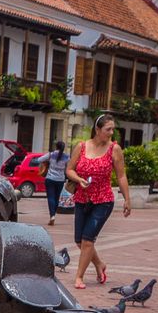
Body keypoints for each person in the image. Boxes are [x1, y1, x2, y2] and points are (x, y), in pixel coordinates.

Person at [65, 113, 131, 290]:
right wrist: (78, 179)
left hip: (103, 200)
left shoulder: (114, 149)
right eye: (108, 129)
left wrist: (127, 199)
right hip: (82, 198)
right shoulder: (81, 147)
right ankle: (99, 264)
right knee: (79, 241)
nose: (111, 133)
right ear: (97, 129)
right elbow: (69, 170)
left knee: (88, 240)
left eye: (113, 129)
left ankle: (79, 277)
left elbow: (121, 175)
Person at [35, 140, 69, 225]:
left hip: (50, 179)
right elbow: (71, 166)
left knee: (51, 197)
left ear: (56, 146)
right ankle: (54, 214)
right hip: (60, 180)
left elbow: (38, 160)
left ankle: (52, 215)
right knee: (56, 198)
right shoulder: (66, 157)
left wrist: (46, 162)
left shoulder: (50, 154)